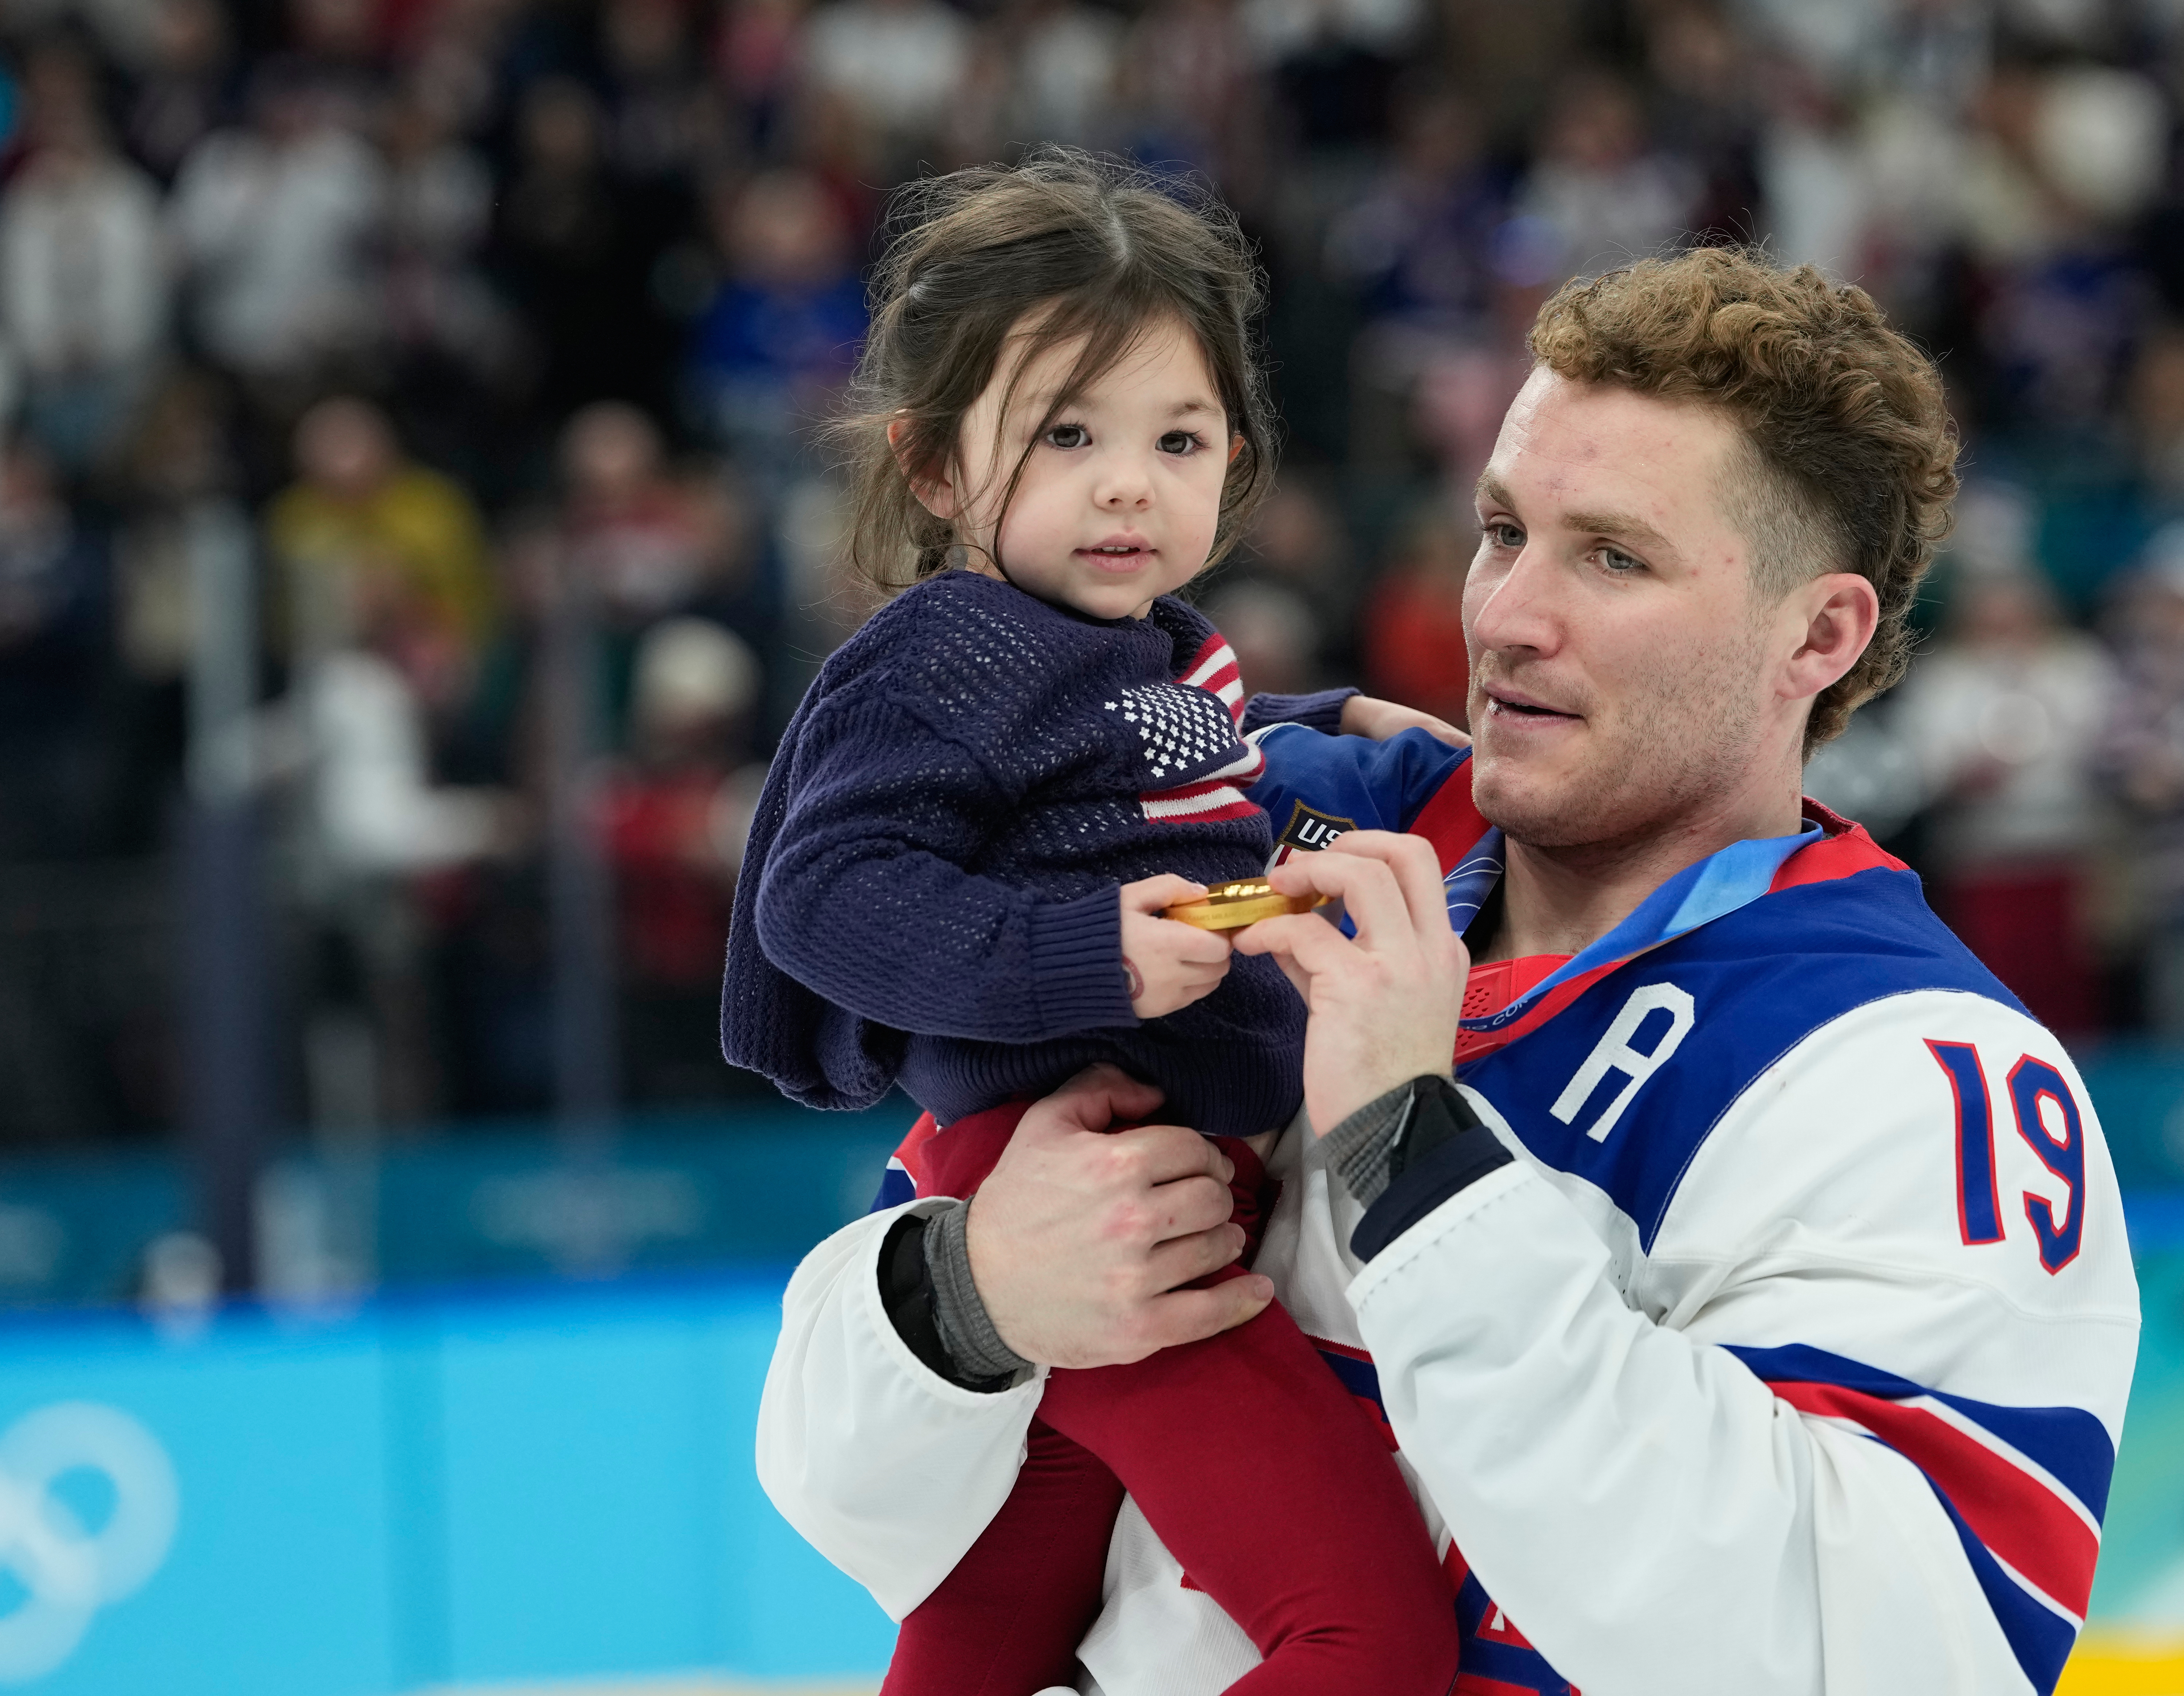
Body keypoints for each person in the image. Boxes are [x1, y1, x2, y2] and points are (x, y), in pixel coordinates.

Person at [757, 246, 2141, 1696]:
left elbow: (1867, 1663)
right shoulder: (1263, 833)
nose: (1503, 616)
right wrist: (963, 1302)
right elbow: (849, 1501)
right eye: (1500, 530)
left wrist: (1408, 1156)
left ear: (1820, 633)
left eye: (1612, 556)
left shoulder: (1905, 1072)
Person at [724, 154, 1459, 1696]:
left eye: (1175, 438)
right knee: (1367, 1643)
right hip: (1093, 1183)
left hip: (1114, 1170)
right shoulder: (954, 650)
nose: (1129, 481)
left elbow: (1160, 761)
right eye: (1068, 435)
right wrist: (1090, 957)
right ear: (934, 468)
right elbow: (821, 895)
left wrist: (1334, 730)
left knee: (990, 1631)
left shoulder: (1134, 650)